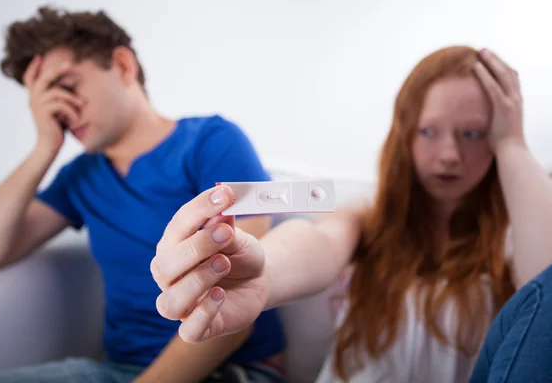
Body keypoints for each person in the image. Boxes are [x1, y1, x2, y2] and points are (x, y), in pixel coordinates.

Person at [151, 46, 552, 382]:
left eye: (471, 134)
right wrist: (263, 272)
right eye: (428, 131)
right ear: (404, 135)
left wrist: (513, 142)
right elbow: (318, 242)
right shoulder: (368, 217)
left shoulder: (520, 230)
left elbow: (546, 290)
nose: (449, 155)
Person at [0, 6, 285, 383]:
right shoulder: (80, 177)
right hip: (115, 371)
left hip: (231, 370)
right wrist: (45, 145)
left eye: (65, 87)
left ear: (124, 65)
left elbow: (241, 290)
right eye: (42, 99)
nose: (58, 109)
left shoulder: (212, 142)